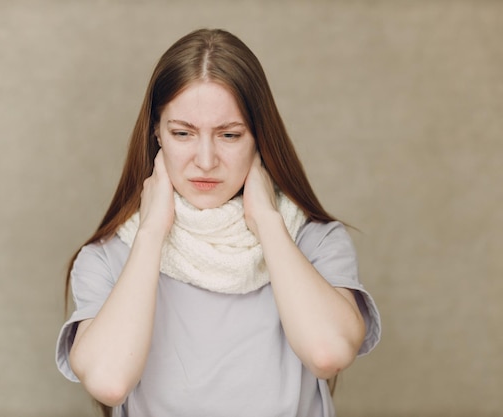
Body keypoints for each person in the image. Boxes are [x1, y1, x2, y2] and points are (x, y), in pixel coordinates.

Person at [56, 28, 381, 417]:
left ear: (260, 138)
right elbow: (110, 382)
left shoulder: (314, 240)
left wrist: (267, 220)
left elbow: (327, 354)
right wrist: (151, 232)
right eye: (182, 133)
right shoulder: (109, 256)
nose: (206, 160)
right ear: (156, 133)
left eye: (229, 135)